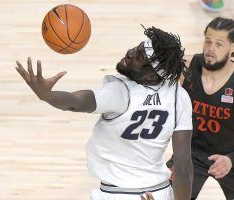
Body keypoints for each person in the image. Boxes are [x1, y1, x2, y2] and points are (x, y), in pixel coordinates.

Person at [15, 26, 193, 200]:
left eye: (139, 57)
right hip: (159, 193)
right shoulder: (179, 97)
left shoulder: (121, 92)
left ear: (151, 76)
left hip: (117, 194)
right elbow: (183, 166)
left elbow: (76, 102)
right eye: (138, 47)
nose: (130, 53)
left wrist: (48, 96)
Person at [167, 17, 234, 200]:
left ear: (233, 47)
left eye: (219, 44)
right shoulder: (187, 67)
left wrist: (231, 160)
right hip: (193, 153)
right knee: (163, 193)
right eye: (208, 41)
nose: (210, 48)